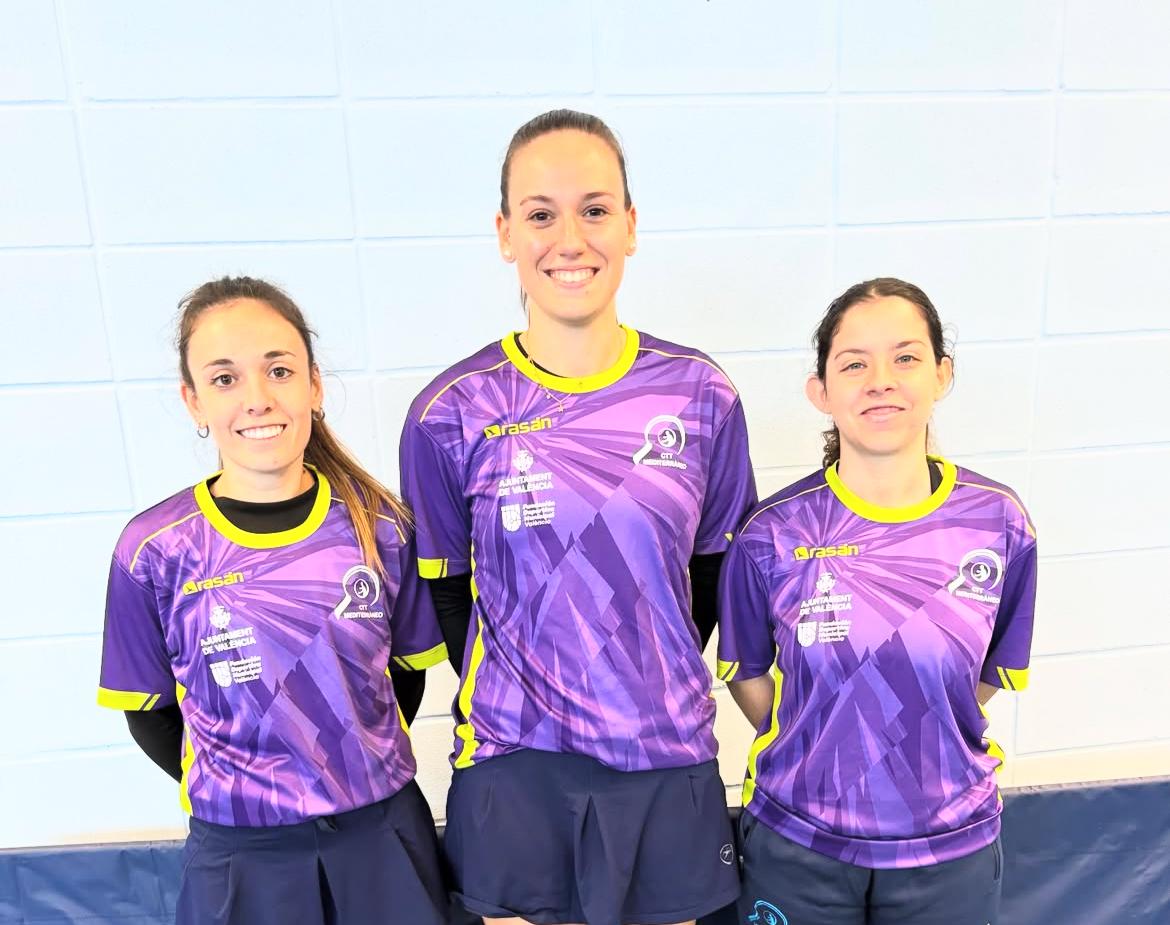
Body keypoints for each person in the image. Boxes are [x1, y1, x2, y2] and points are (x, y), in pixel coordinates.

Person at [398, 109, 757, 925]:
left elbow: (714, 574)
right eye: (540, 213)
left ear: (630, 225)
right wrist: (538, 681)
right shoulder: (451, 411)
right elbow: (446, 588)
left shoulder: (700, 395)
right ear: (505, 234)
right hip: (514, 763)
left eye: (594, 210)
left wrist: (636, 670)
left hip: (663, 756)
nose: (570, 239)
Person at [96, 276, 449, 925]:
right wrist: (248, 787)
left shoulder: (382, 528)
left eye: (278, 370)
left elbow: (404, 678)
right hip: (242, 855)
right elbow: (149, 714)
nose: (257, 397)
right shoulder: (154, 550)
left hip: (380, 837)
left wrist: (342, 765)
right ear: (193, 400)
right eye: (225, 378)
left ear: (314, 386)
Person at [718, 277, 1037, 925]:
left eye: (906, 357)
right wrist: (824, 738)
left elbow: (984, 677)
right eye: (854, 364)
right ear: (820, 390)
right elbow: (747, 674)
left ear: (942, 374)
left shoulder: (999, 523)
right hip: (798, 841)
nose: (881, 381)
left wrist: (911, 731)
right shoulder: (770, 533)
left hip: (948, 847)